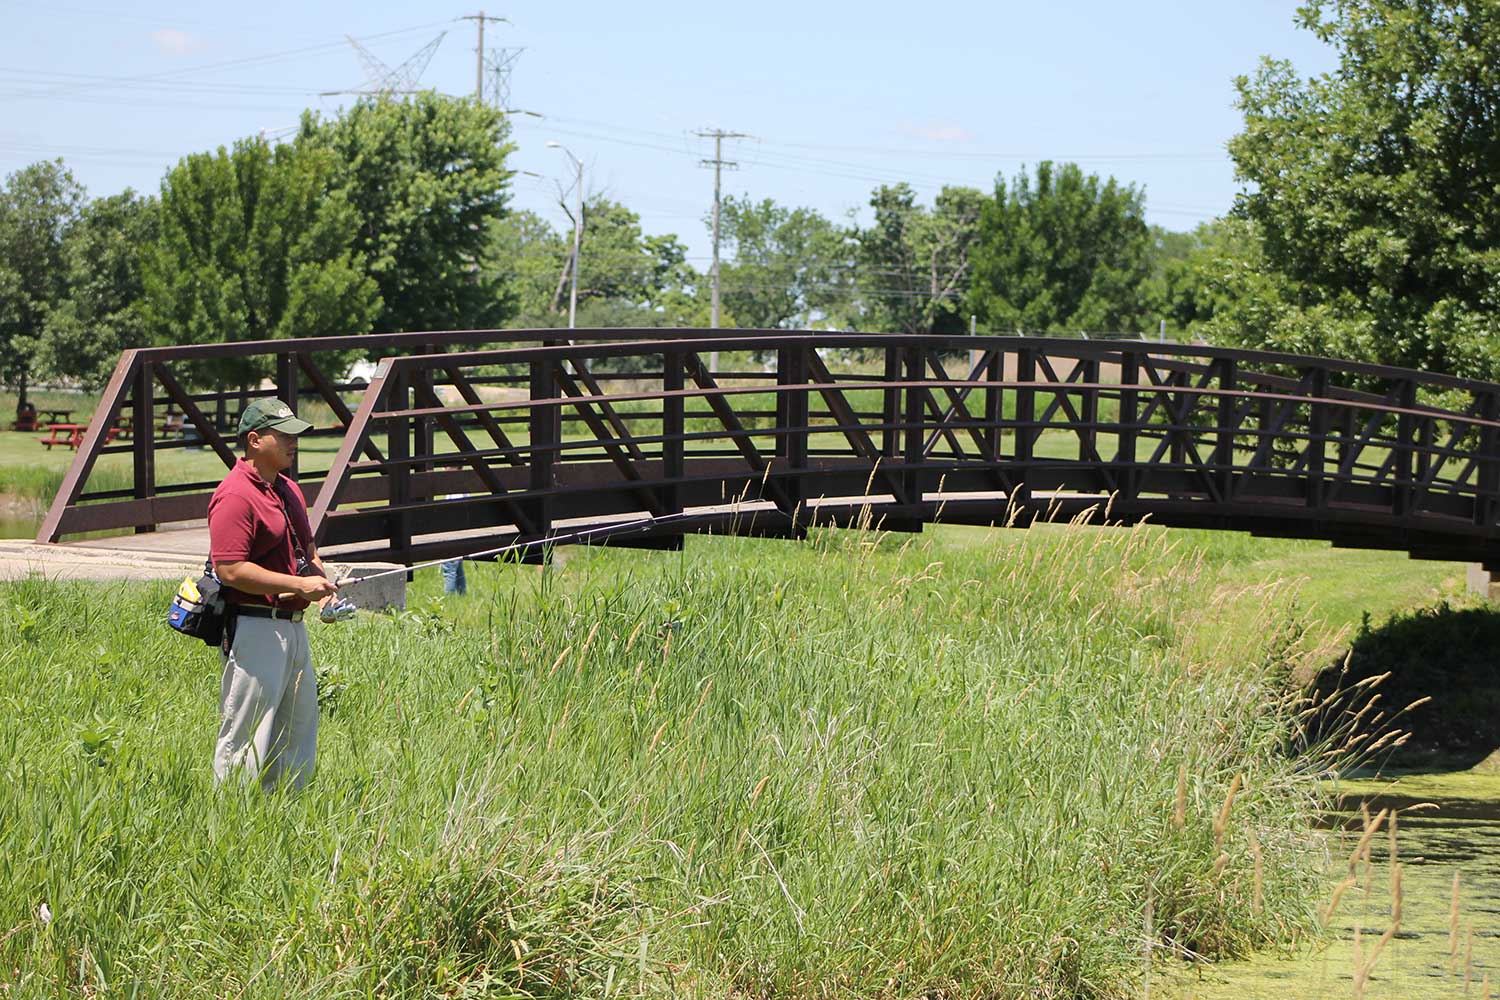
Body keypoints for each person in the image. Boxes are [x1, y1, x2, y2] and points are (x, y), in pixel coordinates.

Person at [207, 399, 339, 790]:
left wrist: (323, 588)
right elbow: (229, 570)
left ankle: (286, 816)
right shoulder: (234, 495)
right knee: (246, 734)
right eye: (283, 435)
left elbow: (307, 551)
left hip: (293, 628)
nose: (293, 442)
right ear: (254, 440)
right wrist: (299, 585)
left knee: (297, 729)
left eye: (294, 434)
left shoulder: (288, 489)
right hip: (254, 626)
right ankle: (234, 817)